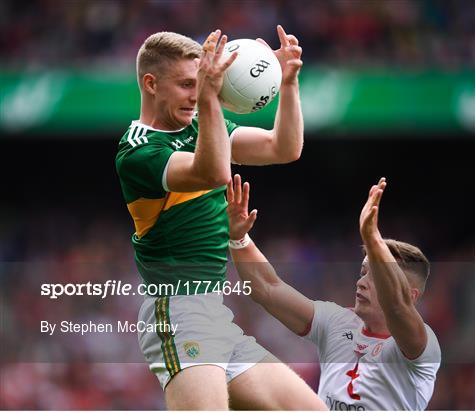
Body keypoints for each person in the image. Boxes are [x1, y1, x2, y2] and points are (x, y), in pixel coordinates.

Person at [115, 28, 326, 410]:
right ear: (150, 83)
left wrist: (288, 82)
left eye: (200, 83)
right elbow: (212, 171)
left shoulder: (201, 126)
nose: (196, 94)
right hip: (177, 310)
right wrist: (212, 97)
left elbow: (284, 147)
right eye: (185, 84)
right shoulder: (138, 151)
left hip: (214, 312)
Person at [227, 175, 442, 410]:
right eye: (363, 272)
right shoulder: (336, 322)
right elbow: (268, 288)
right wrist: (239, 238)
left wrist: (373, 240)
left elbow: (397, 307)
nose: (361, 283)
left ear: (411, 295)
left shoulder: (422, 345)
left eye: (376, 276)